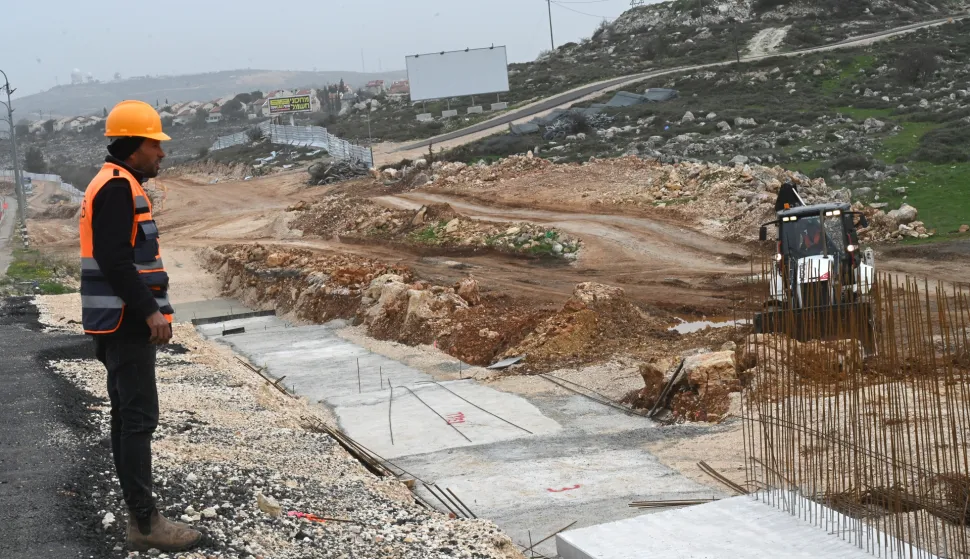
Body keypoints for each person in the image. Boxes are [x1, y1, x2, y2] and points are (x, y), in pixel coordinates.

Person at [79, 100, 202, 552]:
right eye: (155, 144)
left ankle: (142, 517)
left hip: (117, 320)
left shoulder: (116, 181)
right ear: (134, 145)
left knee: (129, 418)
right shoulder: (116, 186)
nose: (161, 154)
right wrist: (150, 311)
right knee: (138, 419)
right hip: (126, 322)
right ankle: (145, 524)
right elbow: (115, 259)